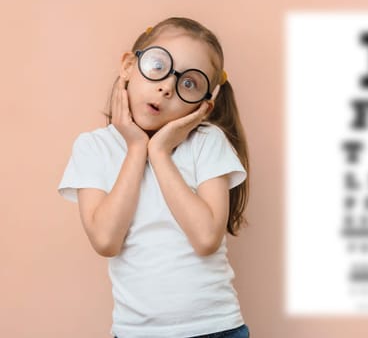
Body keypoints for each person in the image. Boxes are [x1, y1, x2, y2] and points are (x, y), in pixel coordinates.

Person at [57, 17, 250, 338]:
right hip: (136, 332)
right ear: (128, 66)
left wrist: (160, 153)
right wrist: (137, 148)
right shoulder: (93, 147)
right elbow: (105, 240)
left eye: (189, 83)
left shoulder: (207, 142)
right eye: (158, 66)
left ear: (205, 104)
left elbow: (205, 239)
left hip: (216, 328)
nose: (167, 87)